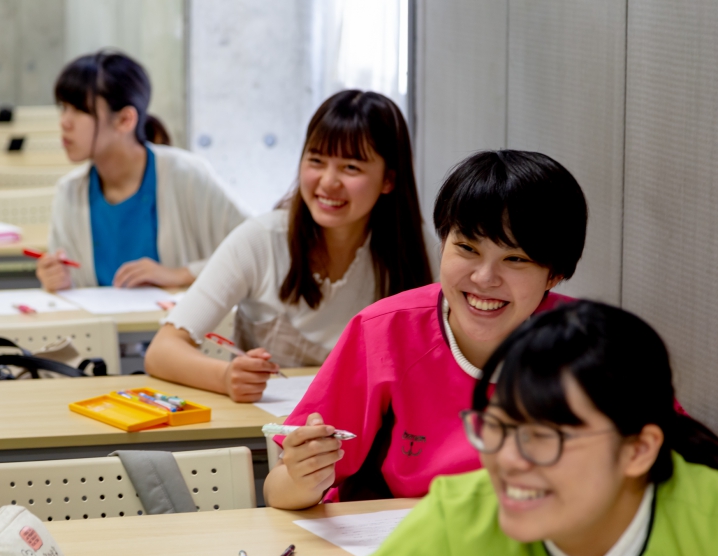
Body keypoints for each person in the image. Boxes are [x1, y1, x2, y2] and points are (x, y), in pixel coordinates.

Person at [264, 150, 589, 510]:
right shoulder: (385, 332)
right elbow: (279, 489)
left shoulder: (592, 346)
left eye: (515, 259)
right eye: (466, 248)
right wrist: (302, 477)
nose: (483, 278)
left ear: (555, 274)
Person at [363, 300, 718, 556]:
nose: (509, 460)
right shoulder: (457, 518)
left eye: (546, 438)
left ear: (638, 450)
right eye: (499, 427)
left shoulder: (706, 522)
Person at [145, 90, 438, 401]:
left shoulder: (416, 251)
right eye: (316, 161)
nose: (328, 181)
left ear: (389, 180)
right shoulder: (261, 239)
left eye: (351, 167)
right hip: (264, 438)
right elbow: (162, 351)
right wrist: (227, 376)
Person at [37, 51, 246, 291]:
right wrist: (59, 280)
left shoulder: (186, 175)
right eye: (63, 108)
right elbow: (75, 285)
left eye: (80, 110)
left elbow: (256, 250)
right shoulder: (70, 191)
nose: (64, 121)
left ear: (125, 120)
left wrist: (179, 275)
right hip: (105, 329)